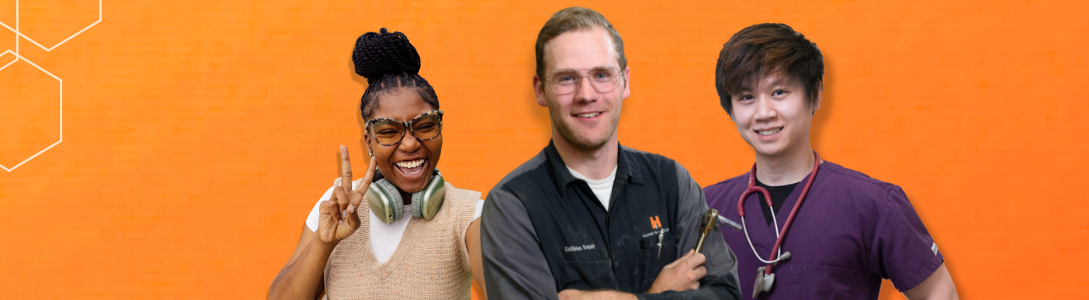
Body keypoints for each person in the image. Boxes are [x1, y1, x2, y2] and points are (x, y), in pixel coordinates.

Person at [480, 7, 740, 300]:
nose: (586, 94)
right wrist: (661, 293)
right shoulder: (512, 205)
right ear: (541, 90)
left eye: (601, 75)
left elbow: (726, 294)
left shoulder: (672, 182)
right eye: (566, 78)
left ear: (625, 82)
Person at [702, 23, 961, 300]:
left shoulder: (872, 205)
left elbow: (938, 292)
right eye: (747, 97)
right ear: (731, 108)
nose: (763, 113)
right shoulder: (704, 209)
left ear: (815, 94)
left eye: (779, 92)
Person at [267, 28, 486, 299]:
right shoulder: (337, 205)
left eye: (425, 125)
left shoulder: (468, 214)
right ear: (369, 142)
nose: (409, 144)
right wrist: (325, 242)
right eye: (388, 131)